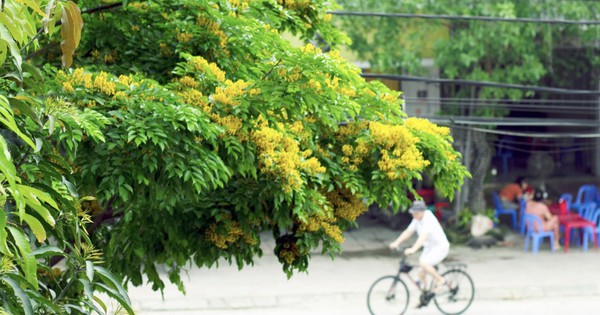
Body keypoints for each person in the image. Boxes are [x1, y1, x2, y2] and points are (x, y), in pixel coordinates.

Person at [388, 200, 450, 293]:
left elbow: (423, 237)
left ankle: (440, 280)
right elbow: (408, 232)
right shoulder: (417, 218)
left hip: (440, 247)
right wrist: (396, 242)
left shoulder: (428, 219)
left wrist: (413, 249)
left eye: (416, 213)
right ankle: (426, 294)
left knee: (424, 262)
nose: (414, 215)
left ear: (422, 211)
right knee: (420, 274)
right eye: (413, 213)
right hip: (429, 247)